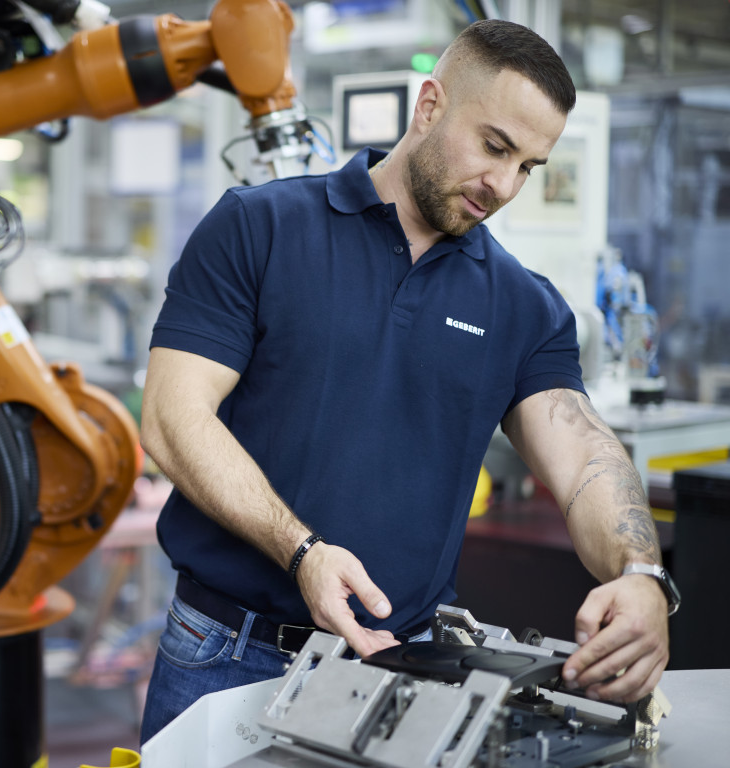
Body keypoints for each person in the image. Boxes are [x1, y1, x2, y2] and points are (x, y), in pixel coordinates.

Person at [139, 19, 670, 744]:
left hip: (401, 672)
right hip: (227, 650)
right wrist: (304, 552)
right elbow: (173, 416)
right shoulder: (258, 228)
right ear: (429, 107)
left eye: (530, 167)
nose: (505, 185)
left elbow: (584, 456)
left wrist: (641, 572)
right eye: (495, 147)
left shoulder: (524, 305)